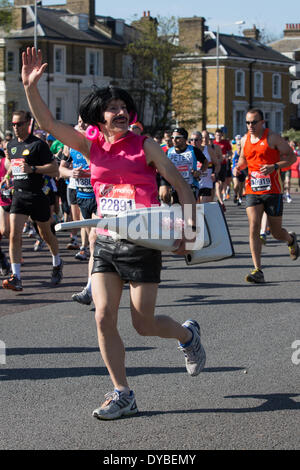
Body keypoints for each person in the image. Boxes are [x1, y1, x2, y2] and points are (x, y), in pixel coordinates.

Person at [22, 47, 206, 420]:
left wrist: (189, 230)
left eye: (125, 107)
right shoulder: (91, 146)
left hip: (143, 241)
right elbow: (48, 124)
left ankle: (187, 336)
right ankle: (123, 393)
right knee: (103, 316)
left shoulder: (146, 146)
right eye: (113, 108)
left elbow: (181, 186)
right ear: (99, 116)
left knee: (144, 324)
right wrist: (31, 88)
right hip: (106, 241)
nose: (120, 112)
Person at [234, 108, 299, 283]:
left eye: (254, 122)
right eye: (247, 122)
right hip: (252, 190)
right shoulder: (245, 139)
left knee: (277, 232)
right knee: (254, 227)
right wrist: (238, 167)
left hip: (273, 191)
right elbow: (243, 159)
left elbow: (292, 158)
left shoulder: (273, 138)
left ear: (262, 122)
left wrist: (275, 166)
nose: (250, 126)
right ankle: (258, 270)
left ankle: (290, 239)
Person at [2, 109, 64, 291]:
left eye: (19, 124)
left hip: (37, 195)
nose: (15, 128)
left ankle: (57, 262)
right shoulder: (11, 145)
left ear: (29, 123)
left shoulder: (39, 145)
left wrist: (34, 169)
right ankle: (16, 277)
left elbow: (54, 169)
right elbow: (13, 166)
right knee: (14, 235)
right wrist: (7, 175)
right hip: (19, 195)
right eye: (13, 124)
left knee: (46, 234)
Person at [159, 127, 208, 204]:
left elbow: (205, 162)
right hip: (175, 187)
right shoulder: (169, 152)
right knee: (177, 212)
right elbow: (163, 168)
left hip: (190, 186)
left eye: (177, 138)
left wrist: (199, 171)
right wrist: (164, 185)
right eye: (172, 138)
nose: (174, 140)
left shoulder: (193, 150)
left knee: (188, 212)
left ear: (185, 139)